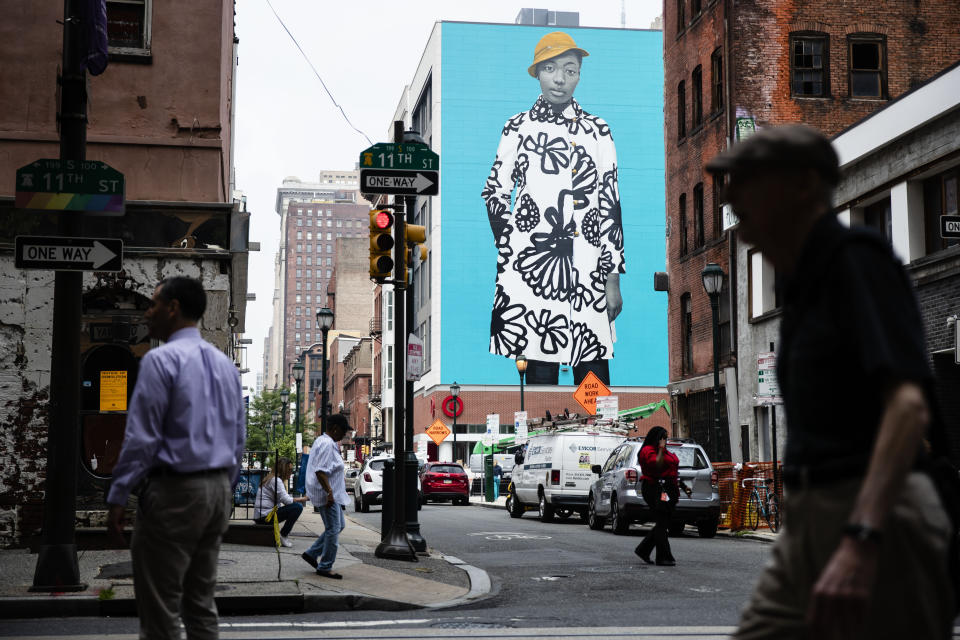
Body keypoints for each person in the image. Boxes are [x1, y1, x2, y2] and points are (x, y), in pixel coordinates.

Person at [705, 124, 954, 639]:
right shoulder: (806, 280)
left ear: (801, 186)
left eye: (749, 180)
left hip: (875, 517)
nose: (731, 195)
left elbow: (907, 408)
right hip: (811, 521)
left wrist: (863, 537)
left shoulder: (856, 261)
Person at [105, 276, 246, 640]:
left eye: (152, 304)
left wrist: (119, 494)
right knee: (200, 605)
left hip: (175, 491)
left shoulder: (160, 360)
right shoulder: (226, 367)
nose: (147, 313)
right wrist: (223, 489)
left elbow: (141, 437)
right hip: (216, 491)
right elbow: (238, 440)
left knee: (160, 610)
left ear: (173, 308)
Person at [482, 31, 625, 386]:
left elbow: (610, 203)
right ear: (537, 73)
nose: (560, 79)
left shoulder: (598, 131)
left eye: (570, 70)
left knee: (593, 383)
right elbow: (495, 192)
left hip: (588, 270)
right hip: (535, 272)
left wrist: (612, 278)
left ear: (579, 75)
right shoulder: (517, 127)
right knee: (540, 382)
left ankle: (594, 440)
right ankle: (540, 443)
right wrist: (512, 245)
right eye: (551, 68)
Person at [302, 414, 353, 579]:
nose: (343, 436)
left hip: (331, 493)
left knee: (339, 526)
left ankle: (312, 553)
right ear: (335, 428)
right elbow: (321, 471)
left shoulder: (325, 442)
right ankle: (325, 566)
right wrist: (329, 493)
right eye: (343, 432)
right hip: (327, 494)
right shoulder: (327, 444)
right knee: (333, 529)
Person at [633, 426, 690, 566]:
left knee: (663, 522)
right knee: (662, 522)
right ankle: (663, 556)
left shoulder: (665, 452)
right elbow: (657, 465)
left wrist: (683, 486)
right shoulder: (648, 451)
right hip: (655, 489)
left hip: (668, 489)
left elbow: (671, 471)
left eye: (666, 437)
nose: (666, 440)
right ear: (657, 438)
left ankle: (644, 550)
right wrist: (660, 449)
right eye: (663, 437)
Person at [253, 456, 308, 547]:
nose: (291, 472)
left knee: (295, 506)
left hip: (262, 515)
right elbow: (286, 500)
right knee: (297, 507)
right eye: (289, 470)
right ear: (283, 469)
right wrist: (304, 499)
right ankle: (283, 535)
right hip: (265, 517)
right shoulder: (275, 480)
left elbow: (284, 498)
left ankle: (283, 535)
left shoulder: (271, 478)